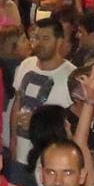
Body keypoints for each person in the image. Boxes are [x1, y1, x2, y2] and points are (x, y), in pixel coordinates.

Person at [11, 18, 76, 163]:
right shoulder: (25, 65)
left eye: (45, 38)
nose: (39, 43)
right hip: (21, 154)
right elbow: (17, 103)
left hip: (51, 159)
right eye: (36, 38)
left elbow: (72, 121)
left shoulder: (71, 76)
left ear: (59, 42)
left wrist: (37, 123)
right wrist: (13, 140)